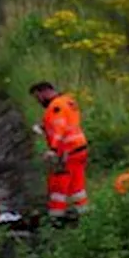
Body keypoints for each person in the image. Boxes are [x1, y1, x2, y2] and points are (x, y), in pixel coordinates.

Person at [30, 81, 89, 220]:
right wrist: (44, 126)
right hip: (80, 149)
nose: (38, 101)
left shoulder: (55, 106)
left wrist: (53, 150)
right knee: (77, 186)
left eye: (37, 97)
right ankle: (84, 215)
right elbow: (68, 123)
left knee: (58, 185)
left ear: (44, 93)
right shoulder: (68, 101)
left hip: (67, 152)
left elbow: (59, 129)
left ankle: (56, 218)